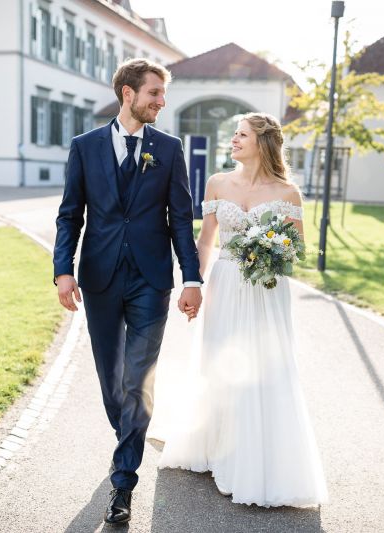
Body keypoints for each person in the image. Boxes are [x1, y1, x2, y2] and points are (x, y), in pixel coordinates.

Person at [53, 58, 203, 525]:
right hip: (98, 276)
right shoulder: (85, 147)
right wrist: (63, 270)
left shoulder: (169, 148)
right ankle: (129, 437)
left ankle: (123, 483)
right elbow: (69, 214)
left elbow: (181, 218)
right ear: (128, 94)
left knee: (139, 379)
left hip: (150, 280)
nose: (162, 101)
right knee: (112, 382)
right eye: (155, 93)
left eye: (163, 94)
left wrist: (191, 278)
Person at [154, 112, 329, 508]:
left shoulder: (287, 194)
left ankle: (259, 459)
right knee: (220, 363)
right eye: (233, 135)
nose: (233, 140)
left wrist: (270, 252)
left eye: (242, 135)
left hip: (266, 289)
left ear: (262, 143)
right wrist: (192, 283)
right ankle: (219, 448)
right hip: (227, 284)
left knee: (266, 367)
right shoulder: (218, 183)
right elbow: (205, 242)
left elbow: (295, 249)